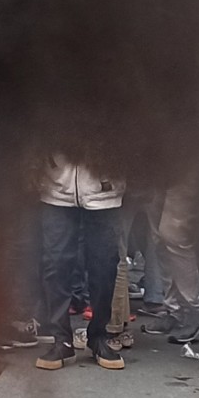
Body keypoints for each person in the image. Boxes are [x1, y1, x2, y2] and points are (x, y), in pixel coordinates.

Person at [36, 159, 125, 370]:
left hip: (105, 192)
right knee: (55, 265)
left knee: (104, 267)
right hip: (56, 189)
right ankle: (61, 340)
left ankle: (98, 337)